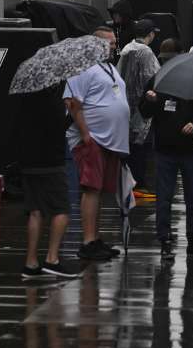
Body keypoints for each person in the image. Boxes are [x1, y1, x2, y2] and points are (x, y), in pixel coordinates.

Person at [64, 25, 128, 261]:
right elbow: (72, 102)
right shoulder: (82, 68)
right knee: (91, 189)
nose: (113, 46)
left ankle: (95, 238)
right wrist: (86, 134)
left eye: (114, 42)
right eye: (108, 43)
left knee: (99, 191)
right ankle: (88, 241)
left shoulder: (109, 67)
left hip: (108, 141)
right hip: (93, 139)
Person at [140, 58, 193, 261]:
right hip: (165, 150)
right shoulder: (157, 81)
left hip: (191, 150)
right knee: (164, 198)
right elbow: (144, 111)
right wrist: (149, 101)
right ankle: (165, 240)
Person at [16, 83, 78, 279]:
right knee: (61, 210)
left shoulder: (26, 97)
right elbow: (58, 128)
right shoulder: (52, 101)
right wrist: (72, 112)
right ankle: (52, 259)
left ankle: (31, 263)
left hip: (29, 161)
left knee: (35, 212)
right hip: (51, 162)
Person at [116, 18, 160, 194]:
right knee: (142, 147)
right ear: (150, 34)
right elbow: (154, 77)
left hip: (125, 105)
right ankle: (139, 184)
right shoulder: (146, 52)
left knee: (131, 146)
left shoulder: (127, 48)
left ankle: (130, 182)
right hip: (142, 105)